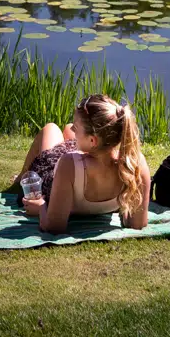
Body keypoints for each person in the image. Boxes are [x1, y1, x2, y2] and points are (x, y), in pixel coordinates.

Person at [17, 94, 151, 233]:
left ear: (92, 141)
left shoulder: (68, 164)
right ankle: (19, 177)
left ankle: (19, 178)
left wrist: (41, 207)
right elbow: (138, 224)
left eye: (77, 128)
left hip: (57, 174)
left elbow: (54, 227)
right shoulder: (134, 163)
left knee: (51, 128)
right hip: (85, 160)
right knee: (68, 128)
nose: (74, 130)